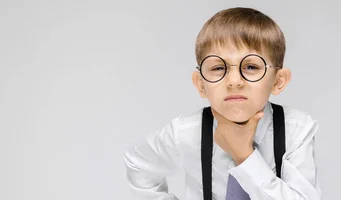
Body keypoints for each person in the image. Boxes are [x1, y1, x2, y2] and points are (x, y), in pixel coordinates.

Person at [124, 7, 321, 200]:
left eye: (251, 67)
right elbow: (139, 164)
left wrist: (245, 156)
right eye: (218, 68)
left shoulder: (295, 130)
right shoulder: (187, 132)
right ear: (200, 83)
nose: (234, 81)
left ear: (278, 81)